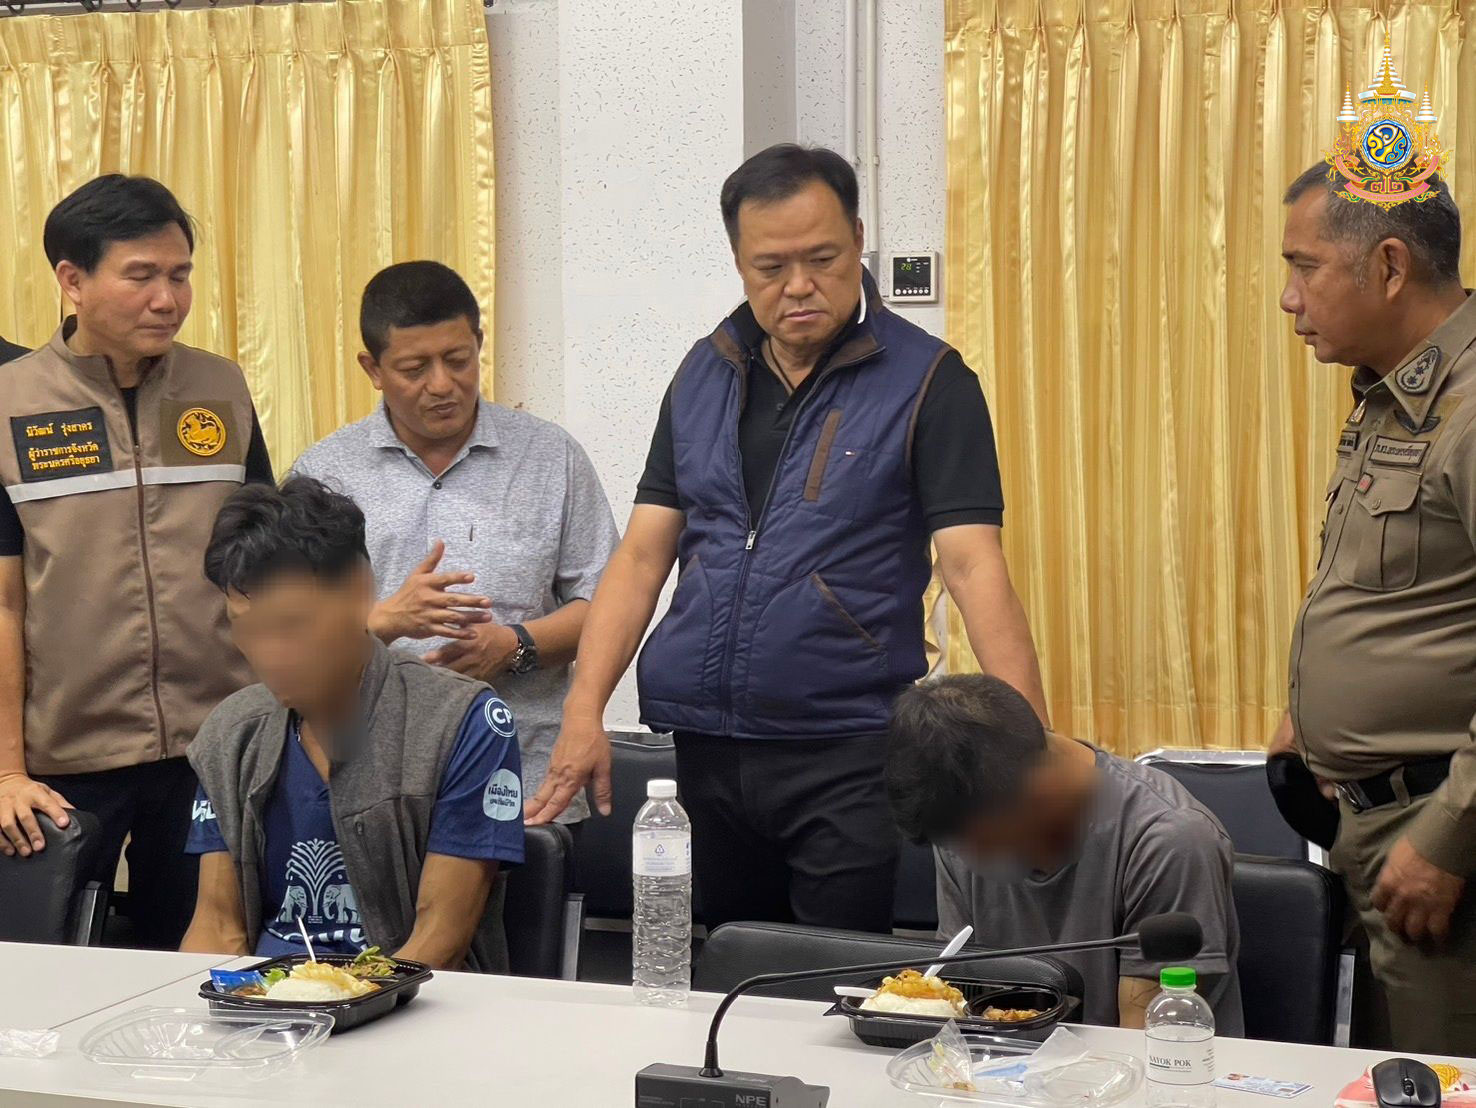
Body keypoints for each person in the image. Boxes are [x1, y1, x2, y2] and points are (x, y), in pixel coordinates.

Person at [531, 144, 1047, 933]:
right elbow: (639, 559)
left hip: (848, 747)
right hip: (706, 747)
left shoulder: (929, 382)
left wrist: (1029, 745)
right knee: (727, 968)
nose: (798, 285)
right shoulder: (703, 374)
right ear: (739, 264)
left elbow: (974, 567)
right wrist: (584, 709)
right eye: (770, 267)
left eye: (822, 259)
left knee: (825, 978)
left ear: (859, 240)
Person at [0, 175, 273, 949]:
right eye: (142, 275)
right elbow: (4, 603)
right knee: (51, 973)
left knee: (199, 962)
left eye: (180, 275)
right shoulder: (10, 403)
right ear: (73, 279)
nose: (167, 299)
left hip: (213, 747)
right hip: (63, 759)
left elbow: (263, 565)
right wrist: (7, 771)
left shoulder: (219, 387)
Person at [292, 261, 618, 826]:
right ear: (373, 369)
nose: (442, 384)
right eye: (414, 368)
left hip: (526, 780)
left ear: (480, 345)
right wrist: (385, 621)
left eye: (458, 360)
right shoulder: (326, 474)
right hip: (366, 785)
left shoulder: (550, 457)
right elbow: (288, 635)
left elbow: (611, 604)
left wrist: (515, 645)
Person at [1275, 159, 1476, 1054]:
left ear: (1390, 266)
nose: (1290, 298)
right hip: (1373, 824)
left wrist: (1449, 838)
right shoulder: (1394, 397)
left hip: (1441, 834)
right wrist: (1308, 712)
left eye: (1305, 266)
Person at [181, 478, 524, 971]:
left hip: (408, 998)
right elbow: (216, 926)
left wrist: (331, 1002)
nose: (269, 656)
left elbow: (440, 939)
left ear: (361, 591)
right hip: (263, 999)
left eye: (293, 625)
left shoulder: (460, 721)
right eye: (247, 628)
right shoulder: (231, 733)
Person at [886, 674, 1243, 1032]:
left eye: (988, 842)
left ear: (1040, 784)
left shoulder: (1169, 840)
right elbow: (955, 1000)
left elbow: (1145, 1043)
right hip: (1001, 1060)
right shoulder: (960, 821)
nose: (971, 858)